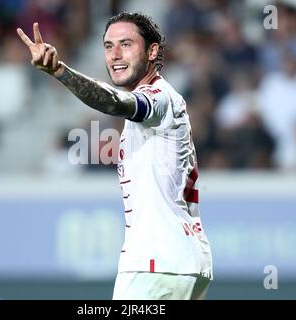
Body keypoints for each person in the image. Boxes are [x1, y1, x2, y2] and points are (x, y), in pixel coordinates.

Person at [17, 12, 213, 300]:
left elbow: (115, 102)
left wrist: (60, 71)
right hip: (183, 261)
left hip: (156, 266)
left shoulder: (159, 97)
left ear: (152, 51)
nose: (115, 55)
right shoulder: (161, 105)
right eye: (108, 46)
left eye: (126, 44)